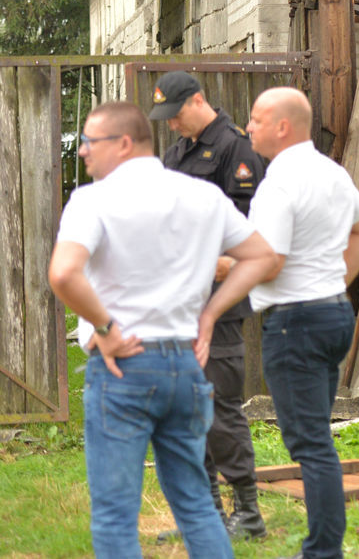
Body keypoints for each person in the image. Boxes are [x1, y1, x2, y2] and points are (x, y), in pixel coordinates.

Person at [48, 101, 277, 558]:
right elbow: (264, 258)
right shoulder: (202, 196)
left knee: (115, 512)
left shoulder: (94, 200)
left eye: (90, 142)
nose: (83, 153)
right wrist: (210, 313)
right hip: (185, 368)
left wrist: (106, 326)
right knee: (195, 504)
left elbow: (63, 274)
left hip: (123, 368)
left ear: (125, 143)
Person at [246, 87, 359, 559]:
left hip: (295, 323)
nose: (248, 127)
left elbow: (271, 261)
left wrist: (219, 267)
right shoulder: (331, 172)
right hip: (331, 312)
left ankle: (322, 552)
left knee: (312, 445)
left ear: (283, 126)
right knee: (317, 435)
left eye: (257, 119)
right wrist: (335, 278)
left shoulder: (279, 183)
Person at [148, 70, 270, 540]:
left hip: (215, 305)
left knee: (219, 407)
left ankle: (249, 513)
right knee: (185, 409)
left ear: (198, 100)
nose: (172, 125)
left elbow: (246, 236)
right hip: (178, 304)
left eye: (176, 114)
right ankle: (206, 514)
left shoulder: (236, 150)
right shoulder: (177, 153)